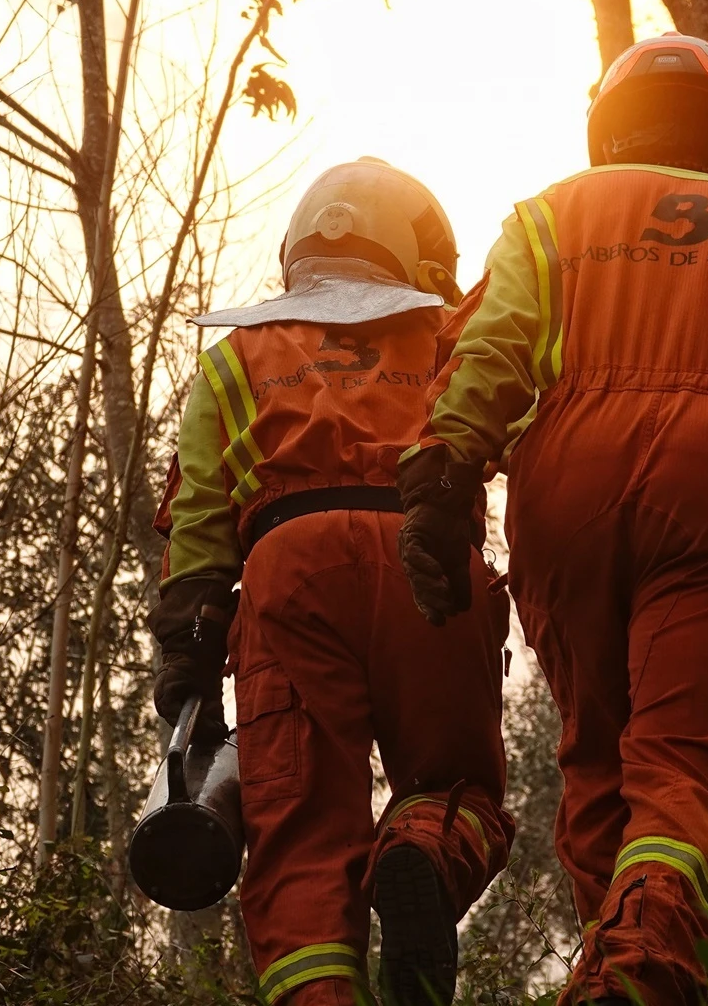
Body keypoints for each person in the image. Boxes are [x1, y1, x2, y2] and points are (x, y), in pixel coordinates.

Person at [394, 33, 708, 1005]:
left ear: (611, 130)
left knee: (597, 761)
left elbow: (489, 352)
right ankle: (637, 977)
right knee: (688, 770)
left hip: (565, 492)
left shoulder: (553, 217)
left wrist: (444, 478)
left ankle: (615, 959)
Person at [149, 158, 513, 1006]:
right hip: (429, 560)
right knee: (458, 788)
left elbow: (199, 509)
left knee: (301, 834)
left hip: (290, 568)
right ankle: (422, 846)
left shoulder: (238, 356)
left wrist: (190, 646)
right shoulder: (452, 333)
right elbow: (516, 419)